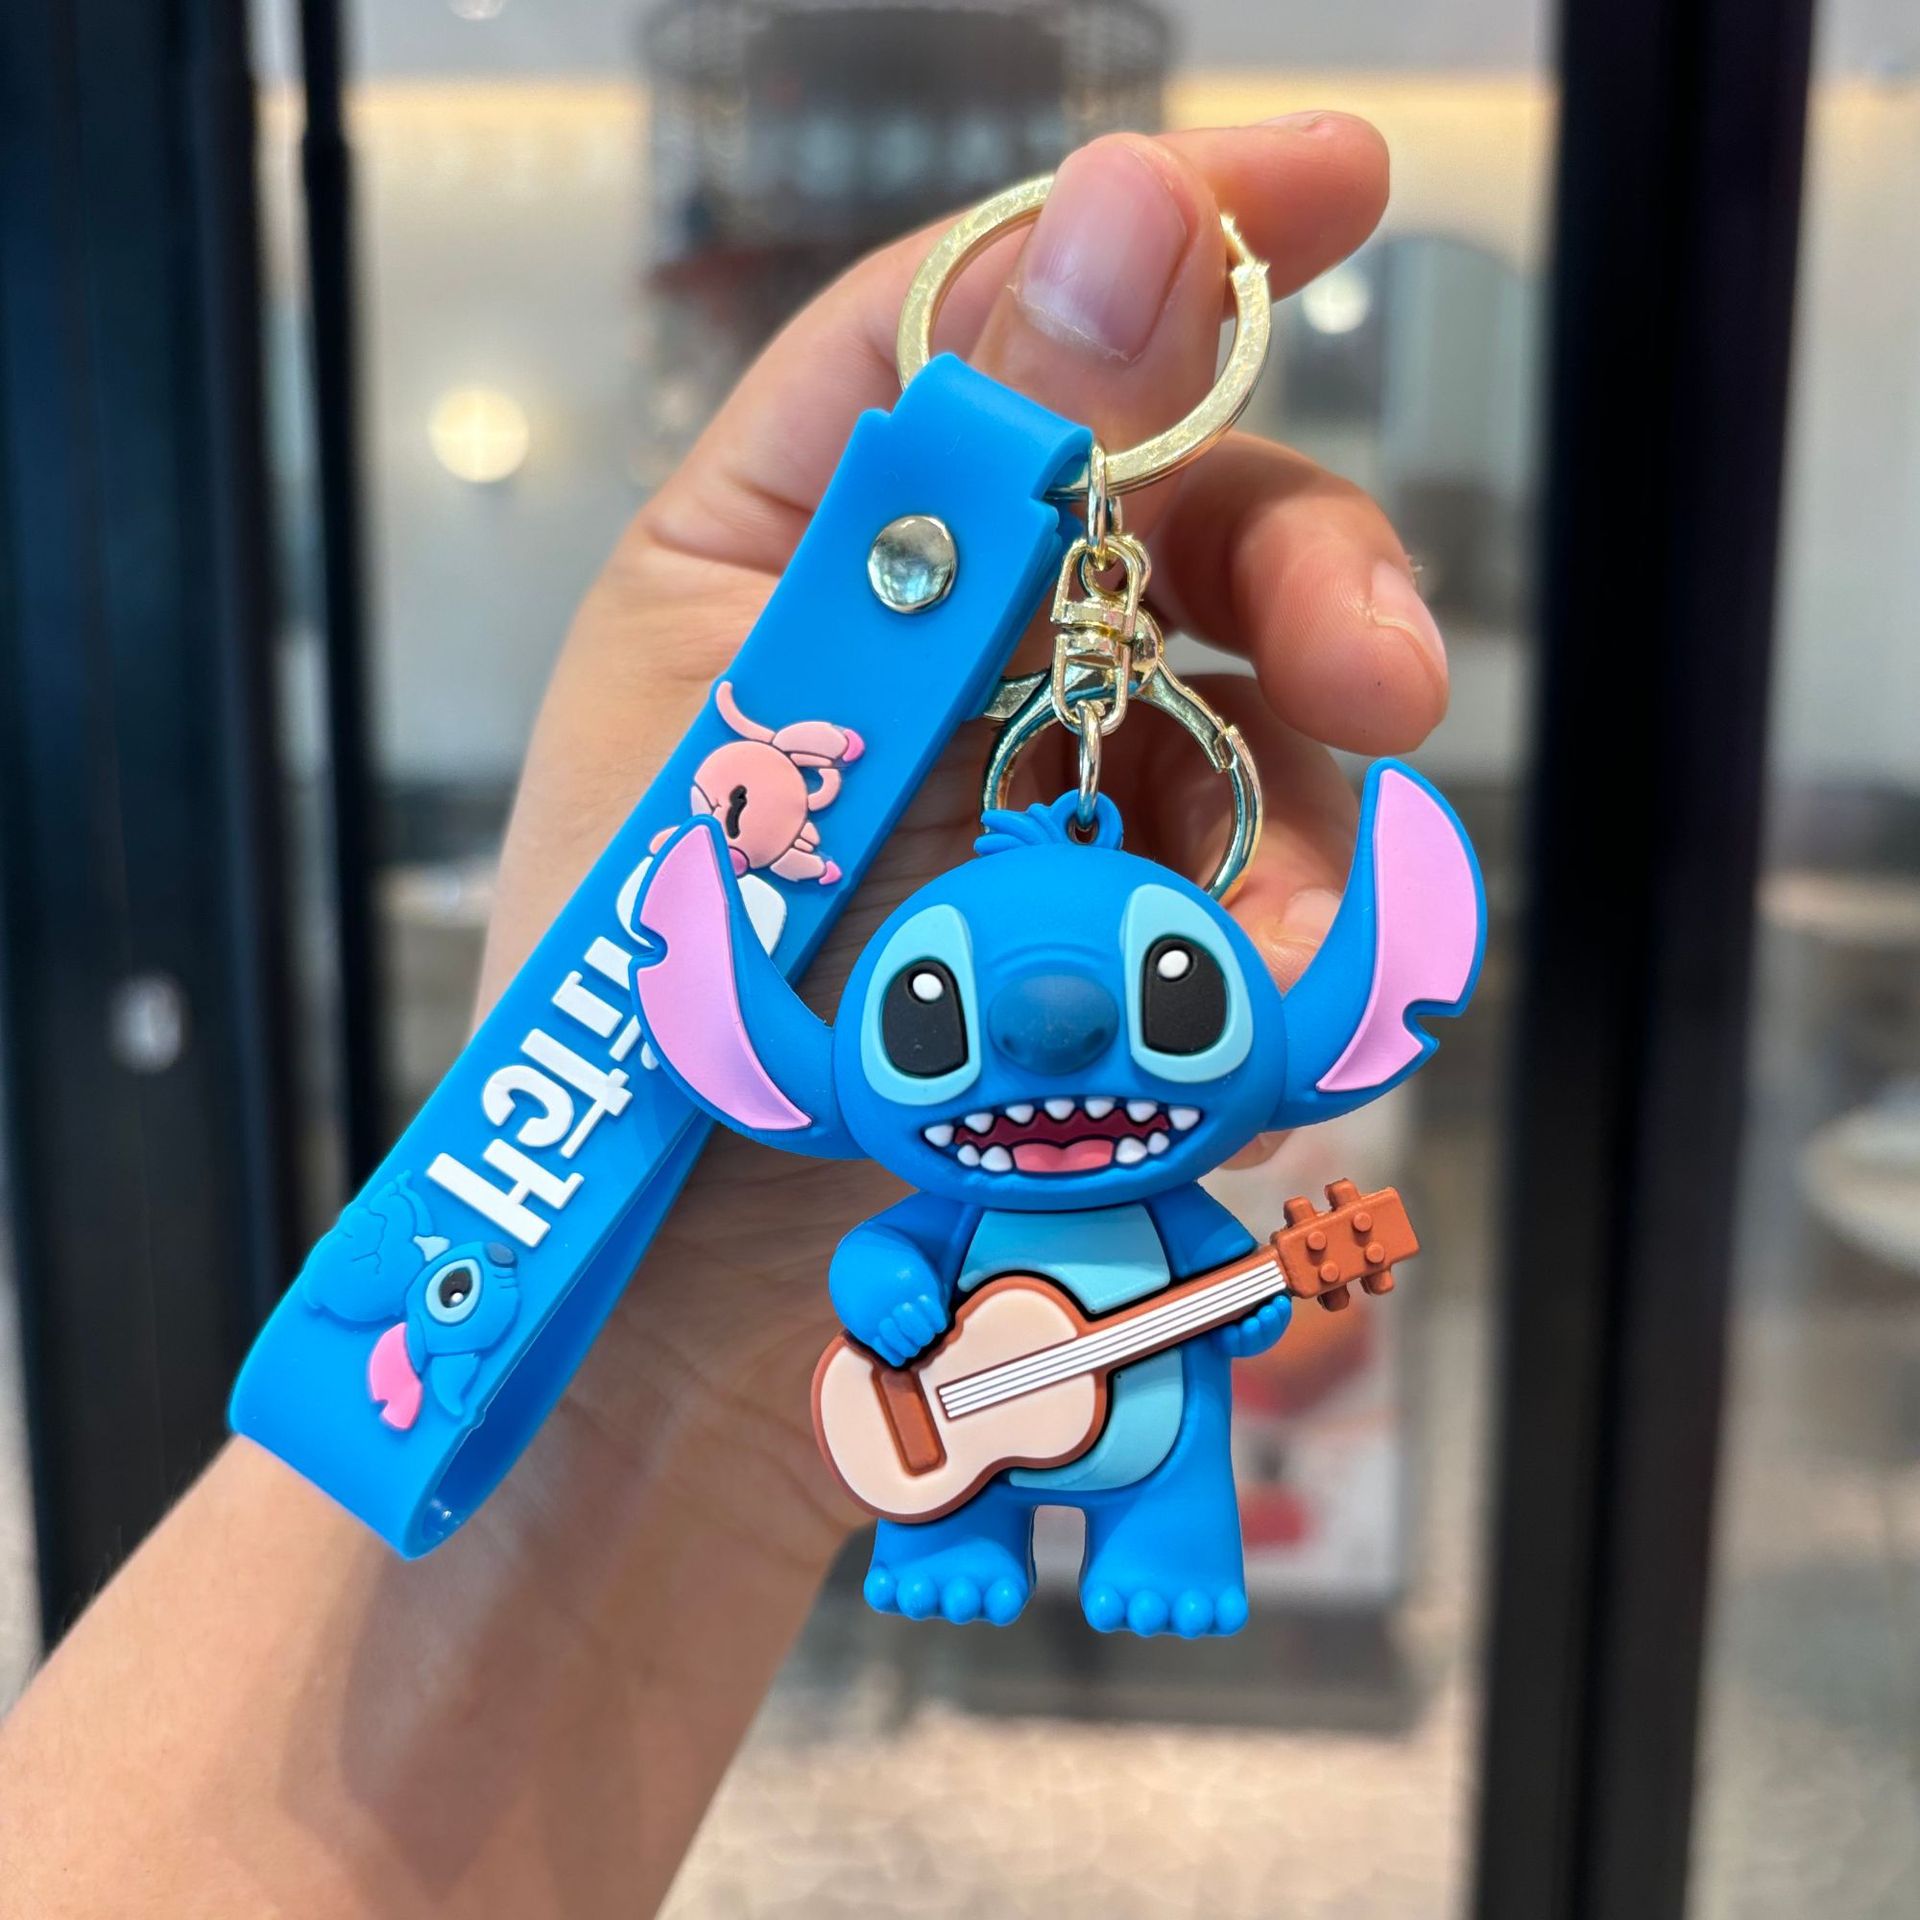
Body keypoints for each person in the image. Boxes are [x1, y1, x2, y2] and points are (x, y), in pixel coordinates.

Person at [0, 119, 1449, 1916]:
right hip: (810, 1384)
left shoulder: (1111, 1152)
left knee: (1161, 1494)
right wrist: (872, 1293)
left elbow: (1227, 1290)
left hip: (1073, 1425)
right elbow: (888, 1264)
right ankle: (971, 1531)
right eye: (934, 1016)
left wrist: (1241, 1290)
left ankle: (1154, 1538)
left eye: (1168, 996)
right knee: (971, 1499)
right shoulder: (892, 1100)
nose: (1065, 1038)